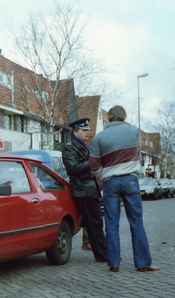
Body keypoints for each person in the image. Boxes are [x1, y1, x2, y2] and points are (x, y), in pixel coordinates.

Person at [89, 106, 160, 273]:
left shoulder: (98, 138)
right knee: (136, 222)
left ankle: (114, 262)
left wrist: (102, 176)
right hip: (130, 180)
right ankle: (143, 263)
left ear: (110, 117)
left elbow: (93, 164)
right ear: (124, 116)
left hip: (110, 182)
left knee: (112, 223)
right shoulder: (133, 131)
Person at [62, 118, 108, 263]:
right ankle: (102, 254)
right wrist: (92, 162)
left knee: (96, 222)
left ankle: (103, 252)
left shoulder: (82, 146)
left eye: (88, 130)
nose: (88, 132)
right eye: (84, 130)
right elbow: (73, 168)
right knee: (93, 222)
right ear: (75, 132)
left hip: (88, 189)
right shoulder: (70, 148)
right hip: (83, 190)